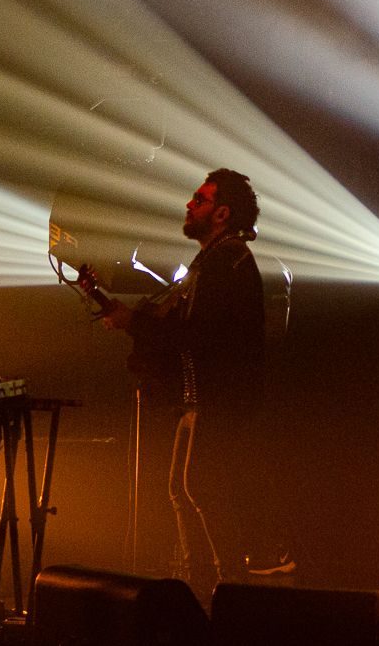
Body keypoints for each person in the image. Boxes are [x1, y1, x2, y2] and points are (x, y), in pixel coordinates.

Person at [100, 169, 292, 601]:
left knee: (199, 488)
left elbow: (198, 333)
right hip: (199, 398)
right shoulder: (212, 260)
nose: (190, 205)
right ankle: (202, 586)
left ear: (221, 213)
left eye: (199, 200)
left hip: (219, 399)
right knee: (182, 489)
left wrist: (134, 322)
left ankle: (224, 589)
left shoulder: (228, 260)